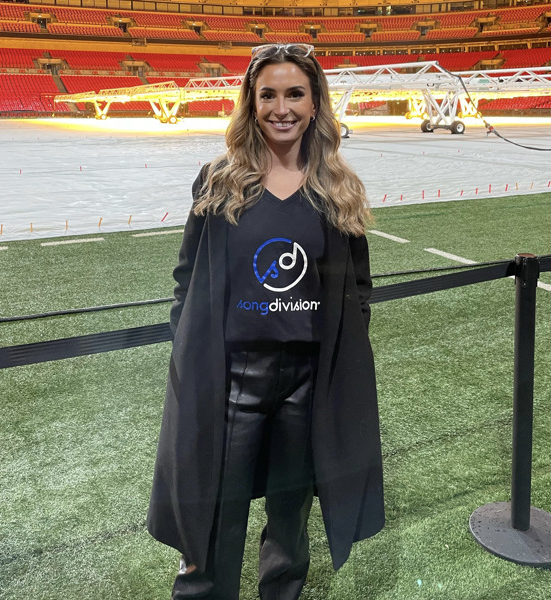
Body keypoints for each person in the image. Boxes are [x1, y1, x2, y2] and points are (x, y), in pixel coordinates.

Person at [147, 43, 384, 600]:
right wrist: (192, 356)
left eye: (295, 94)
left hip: (306, 382)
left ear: (314, 103)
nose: (282, 108)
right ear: (251, 103)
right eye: (268, 95)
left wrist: (338, 366)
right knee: (214, 511)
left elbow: (358, 289)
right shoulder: (219, 180)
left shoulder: (338, 188)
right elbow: (187, 278)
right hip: (234, 379)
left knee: (290, 514)